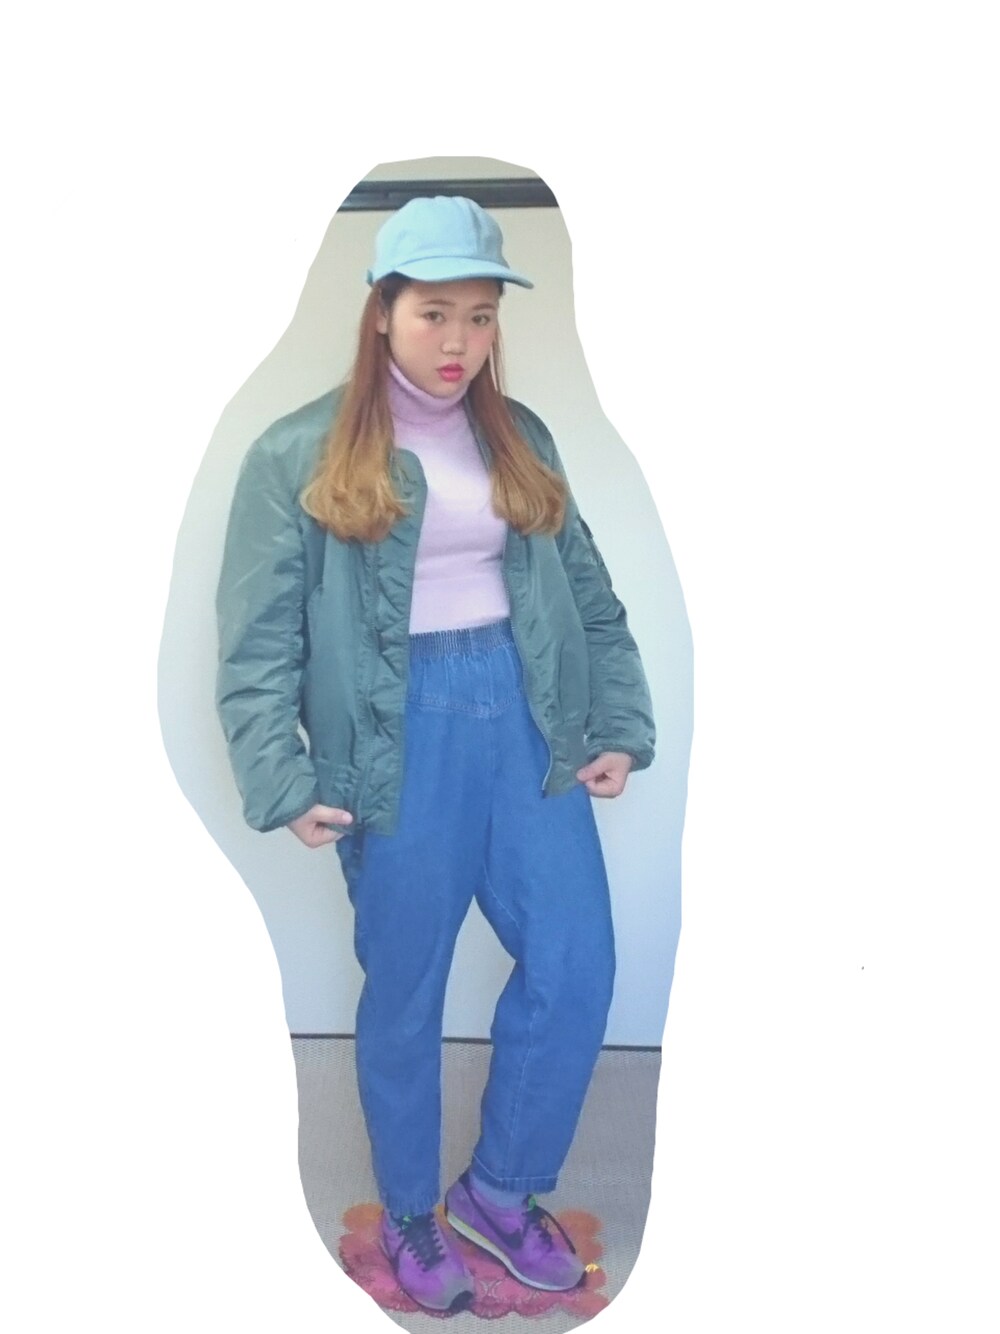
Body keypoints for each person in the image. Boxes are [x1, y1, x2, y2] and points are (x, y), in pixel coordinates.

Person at [215, 195, 655, 1315]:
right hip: (392, 738)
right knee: (406, 988)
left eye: (479, 315)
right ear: (382, 313)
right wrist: (283, 776)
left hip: (526, 717)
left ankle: (498, 1192)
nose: (458, 341)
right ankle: (411, 1208)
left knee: (576, 962)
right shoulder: (296, 452)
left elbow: (588, 593)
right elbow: (258, 640)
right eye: (433, 313)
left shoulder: (520, 436)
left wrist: (616, 719)